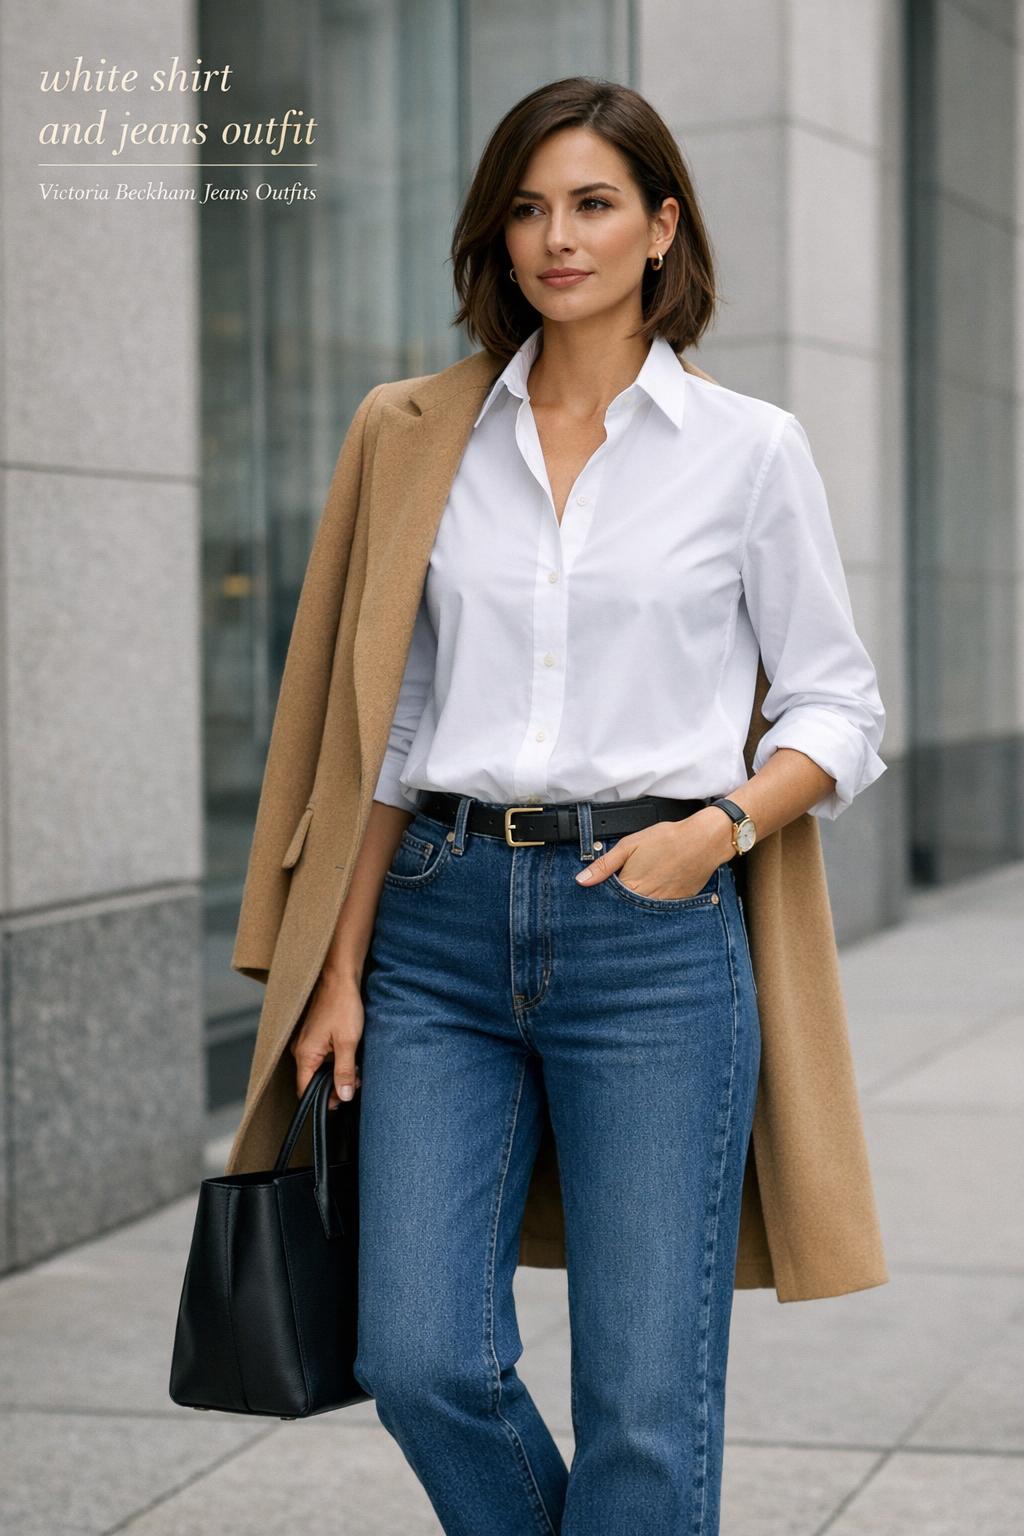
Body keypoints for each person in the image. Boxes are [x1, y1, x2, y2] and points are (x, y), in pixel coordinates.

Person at [285, 77, 887, 1536]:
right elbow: (390, 730)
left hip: (651, 931)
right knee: (419, 1355)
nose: (559, 236)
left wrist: (716, 833)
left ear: (662, 227)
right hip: (436, 927)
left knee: (644, 1400)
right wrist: (338, 970)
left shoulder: (748, 451)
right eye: (530, 207)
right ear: (497, 235)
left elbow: (839, 708)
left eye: (595, 203)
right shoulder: (420, 432)